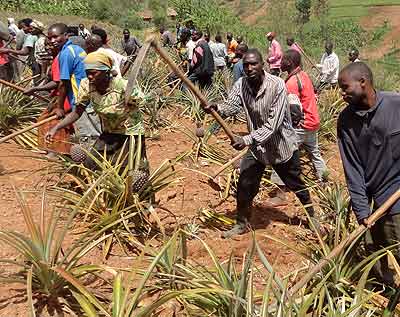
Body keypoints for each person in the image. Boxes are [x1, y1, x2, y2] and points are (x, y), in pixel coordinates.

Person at [206, 48, 315, 238]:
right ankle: (242, 223)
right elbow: (232, 105)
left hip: (281, 146)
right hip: (258, 148)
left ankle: (312, 215)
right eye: (246, 65)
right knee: (245, 184)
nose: (249, 68)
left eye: (253, 64)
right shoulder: (241, 84)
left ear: (262, 64)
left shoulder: (278, 85)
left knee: (296, 184)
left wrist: (246, 140)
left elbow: (272, 125)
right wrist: (218, 108)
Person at [337, 62, 400, 288]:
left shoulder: (395, 104)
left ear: (363, 82)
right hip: (375, 199)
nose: (341, 93)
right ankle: (387, 291)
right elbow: (352, 169)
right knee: (375, 252)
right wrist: (362, 210)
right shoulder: (346, 121)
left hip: (397, 195)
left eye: (345, 87)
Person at [45, 51, 148, 172]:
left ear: (106, 71)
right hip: (109, 132)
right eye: (87, 73)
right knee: (92, 162)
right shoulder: (86, 85)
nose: (89, 76)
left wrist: (131, 99)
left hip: (130, 133)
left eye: (94, 73)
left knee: (128, 169)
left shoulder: (123, 86)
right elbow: (77, 112)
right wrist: (56, 128)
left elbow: (143, 102)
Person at [270, 49, 328, 204]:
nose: (280, 63)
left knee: (281, 152)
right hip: (313, 121)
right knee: (314, 153)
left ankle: (280, 193)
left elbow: (293, 111)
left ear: (289, 62)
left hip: (301, 125)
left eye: (283, 60)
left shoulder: (291, 83)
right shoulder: (304, 76)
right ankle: (325, 182)